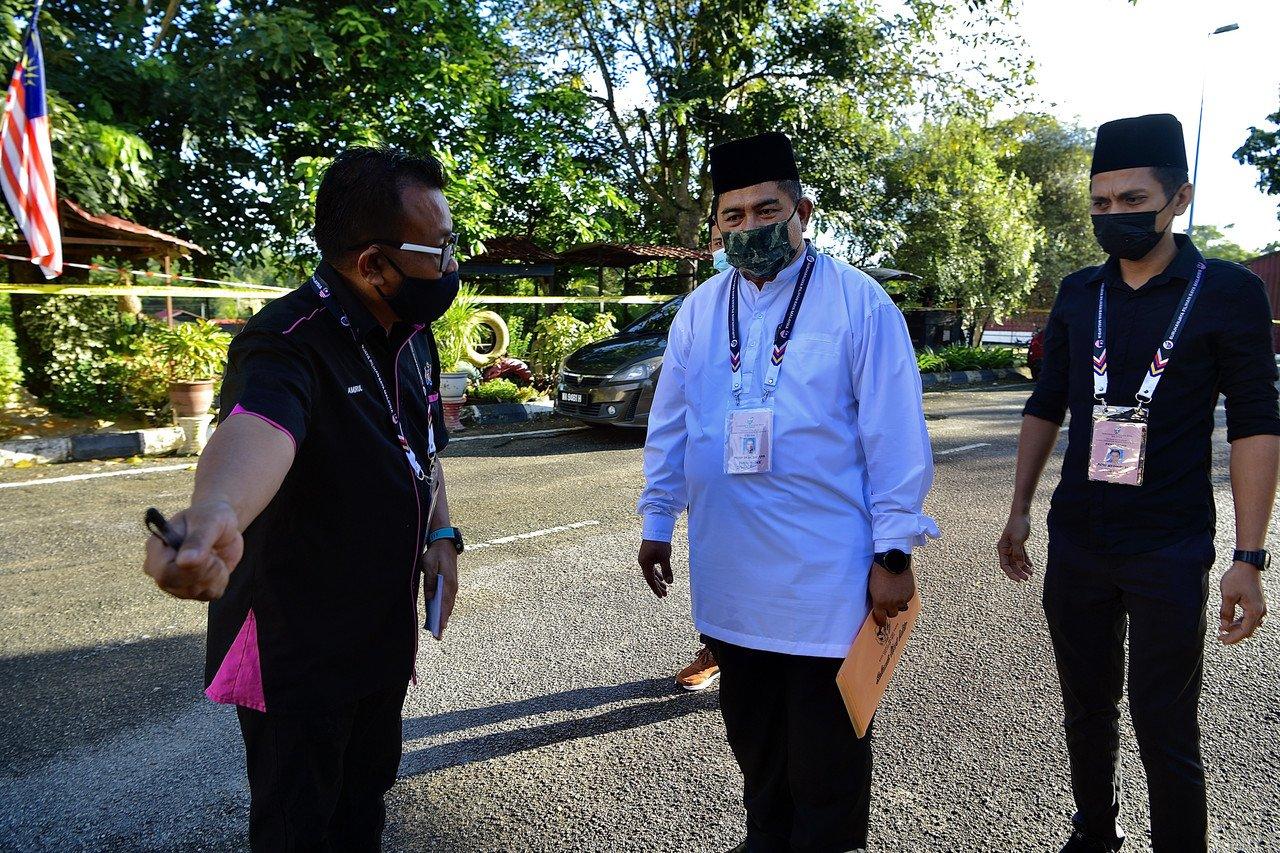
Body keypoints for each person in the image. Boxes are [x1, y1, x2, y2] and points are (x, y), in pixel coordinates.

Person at [142, 146, 467, 852]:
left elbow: (423, 450)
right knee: (298, 826)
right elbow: (259, 427)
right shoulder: (284, 341)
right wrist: (218, 512)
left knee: (364, 807)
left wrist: (441, 533)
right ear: (373, 264)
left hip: (382, 633)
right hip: (299, 650)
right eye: (439, 248)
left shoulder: (413, 336)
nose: (451, 263)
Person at [638, 132, 938, 853]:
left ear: (802, 210)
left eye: (765, 209)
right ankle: (766, 839)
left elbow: (894, 437)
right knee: (755, 743)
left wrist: (892, 552)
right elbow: (670, 426)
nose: (748, 228)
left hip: (827, 584)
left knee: (827, 754)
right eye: (731, 216)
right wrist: (656, 518)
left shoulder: (858, 304)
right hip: (733, 579)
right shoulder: (701, 312)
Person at [997, 114, 1279, 853]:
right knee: (1087, 710)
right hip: (1080, 540)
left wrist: (1248, 558)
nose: (1114, 215)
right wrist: (1020, 509)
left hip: (1170, 545)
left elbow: (1256, 422)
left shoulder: (1228, 291)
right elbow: (1046, 402)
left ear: (1177, 198)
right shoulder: (1078, 292)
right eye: (1101, 203)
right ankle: (1095, 831)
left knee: (1164, 722)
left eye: (1131, 200)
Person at [673, 217, 729, 693]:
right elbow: (673, 417)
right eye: (717, 240)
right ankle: (715, 649)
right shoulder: (702, 308)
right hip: (716, 493)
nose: (724, 247)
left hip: (790, 494)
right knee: (716, 574)